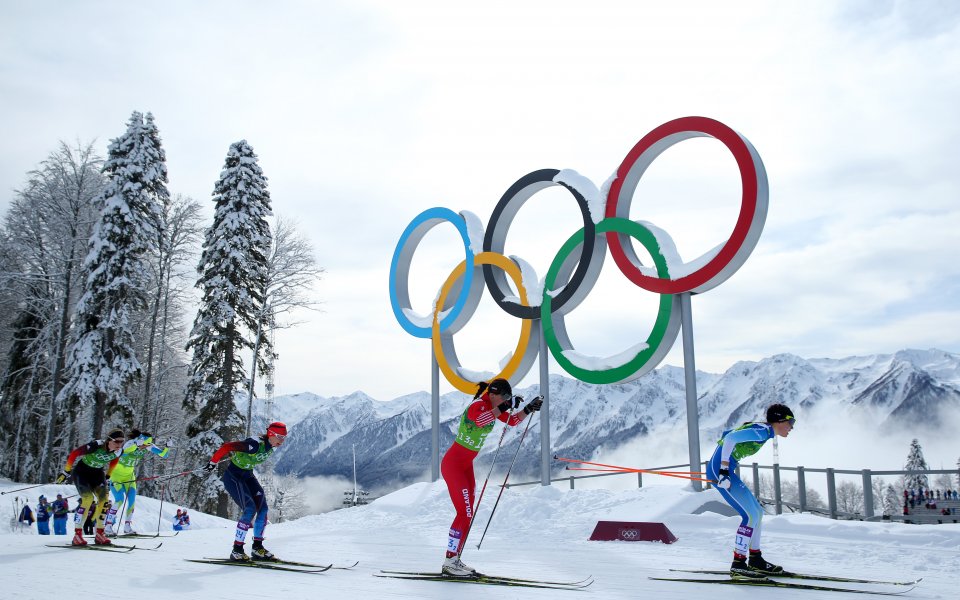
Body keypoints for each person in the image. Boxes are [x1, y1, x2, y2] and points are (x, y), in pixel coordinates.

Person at [439, 378, 543, 576]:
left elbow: (512, 420)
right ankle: (449, 560)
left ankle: (454, 558)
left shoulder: (494, 406)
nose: (504, 401)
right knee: (463, 513)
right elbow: (481, 420)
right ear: (493, 394)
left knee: (467, 514)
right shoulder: (478, 406)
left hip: (465, 466)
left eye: (507, 398)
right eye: (503, 397)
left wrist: (528, 409)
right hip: (453, 466)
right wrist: (505, 405)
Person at [706, 403, 796, 578]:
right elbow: (730, 438)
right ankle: (738, 563)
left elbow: (728, 435)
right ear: (779, 421)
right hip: (721, 472)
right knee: (751, 515)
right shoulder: (762, 431)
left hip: (724, 471)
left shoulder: (764, 432)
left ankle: (755, 559)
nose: (792, 427)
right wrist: (724, 471)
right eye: (791, 421)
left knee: (757, 513)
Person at [202, 421, 287, 561]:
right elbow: (227, 447)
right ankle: (237, 550)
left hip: (247, 475)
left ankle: (257, 548)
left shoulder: (270, 445)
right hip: (233, 477)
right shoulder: (254, 445)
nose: (282, 441)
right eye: (279, 437)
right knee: (250, 508)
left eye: (284, 437)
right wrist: (213, 462)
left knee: (263, 509)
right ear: (271, 434)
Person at [56, 427, 126, 545]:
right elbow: (74, 454)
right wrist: (66, 472)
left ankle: (100, 533)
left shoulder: (119, 451)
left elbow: (114, 460)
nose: (119, 444)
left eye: (122, 441)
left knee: (104, 501)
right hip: (81, 473)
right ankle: (77, 535)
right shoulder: (96, 446)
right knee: (88, 500)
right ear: (109, 440)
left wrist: (108, 475)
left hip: (97, 474)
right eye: (117, 441)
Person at [104, 429, 171, 535]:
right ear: (140, 441)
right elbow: (121, 453)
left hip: (129, 477)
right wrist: (136, 445)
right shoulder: (131, 443)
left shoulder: (148, 445)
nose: (146, 447)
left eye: (148, 444)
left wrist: (167, 447)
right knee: (120, 500)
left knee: (131, 501)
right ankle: (107, 526)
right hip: (116, 476)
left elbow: (164, 455)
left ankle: (127, 527)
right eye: (145, 444)